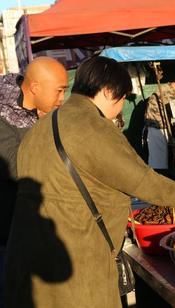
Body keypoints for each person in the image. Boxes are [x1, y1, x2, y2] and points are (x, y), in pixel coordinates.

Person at [5, 56, 175, 308]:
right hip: (75, 265)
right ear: (107, 92)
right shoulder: (91, 125)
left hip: (28, 265)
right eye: (123, 97)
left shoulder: (41, 127)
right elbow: (142, 180)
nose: (121, 105)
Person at [0, 56, 68, 306]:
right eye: (59, 91)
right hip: (9, 236)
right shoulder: (3, 116)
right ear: (35, 88)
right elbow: (19, 168)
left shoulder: (40, 114)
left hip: (38, 230)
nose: (62, 98)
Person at [144, 74, 175, 171]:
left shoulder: (166, 91)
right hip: (158, 129)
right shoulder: (166, 93)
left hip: (160, 129)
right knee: (159, 165)